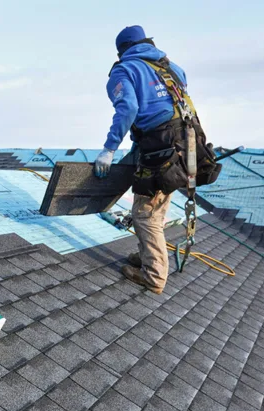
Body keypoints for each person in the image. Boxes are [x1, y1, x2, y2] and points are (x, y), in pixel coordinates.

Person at [94, 25, 213, 294]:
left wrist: (110, 148)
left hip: (160, 146)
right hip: (188, 143)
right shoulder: (171, 68)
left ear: (121, 51)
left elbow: (129, 107)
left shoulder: (125, 70)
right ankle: (149, 255)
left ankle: (154, 275)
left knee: (143, 214)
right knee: (158, 204)